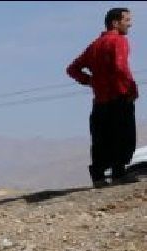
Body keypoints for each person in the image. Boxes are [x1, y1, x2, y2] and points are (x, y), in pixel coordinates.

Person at [67, 8, 138, 187]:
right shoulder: (118, 40)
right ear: (115, 22)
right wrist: (131, 88)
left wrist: (91, 81)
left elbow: (72, 69)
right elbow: (120, 66)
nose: (130, 23)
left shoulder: (95, 45)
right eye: (127, 20)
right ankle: (119, 174)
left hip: (100, 101)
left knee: (101, 138)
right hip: (119, 95)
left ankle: (98, 177)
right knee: (123, 135)